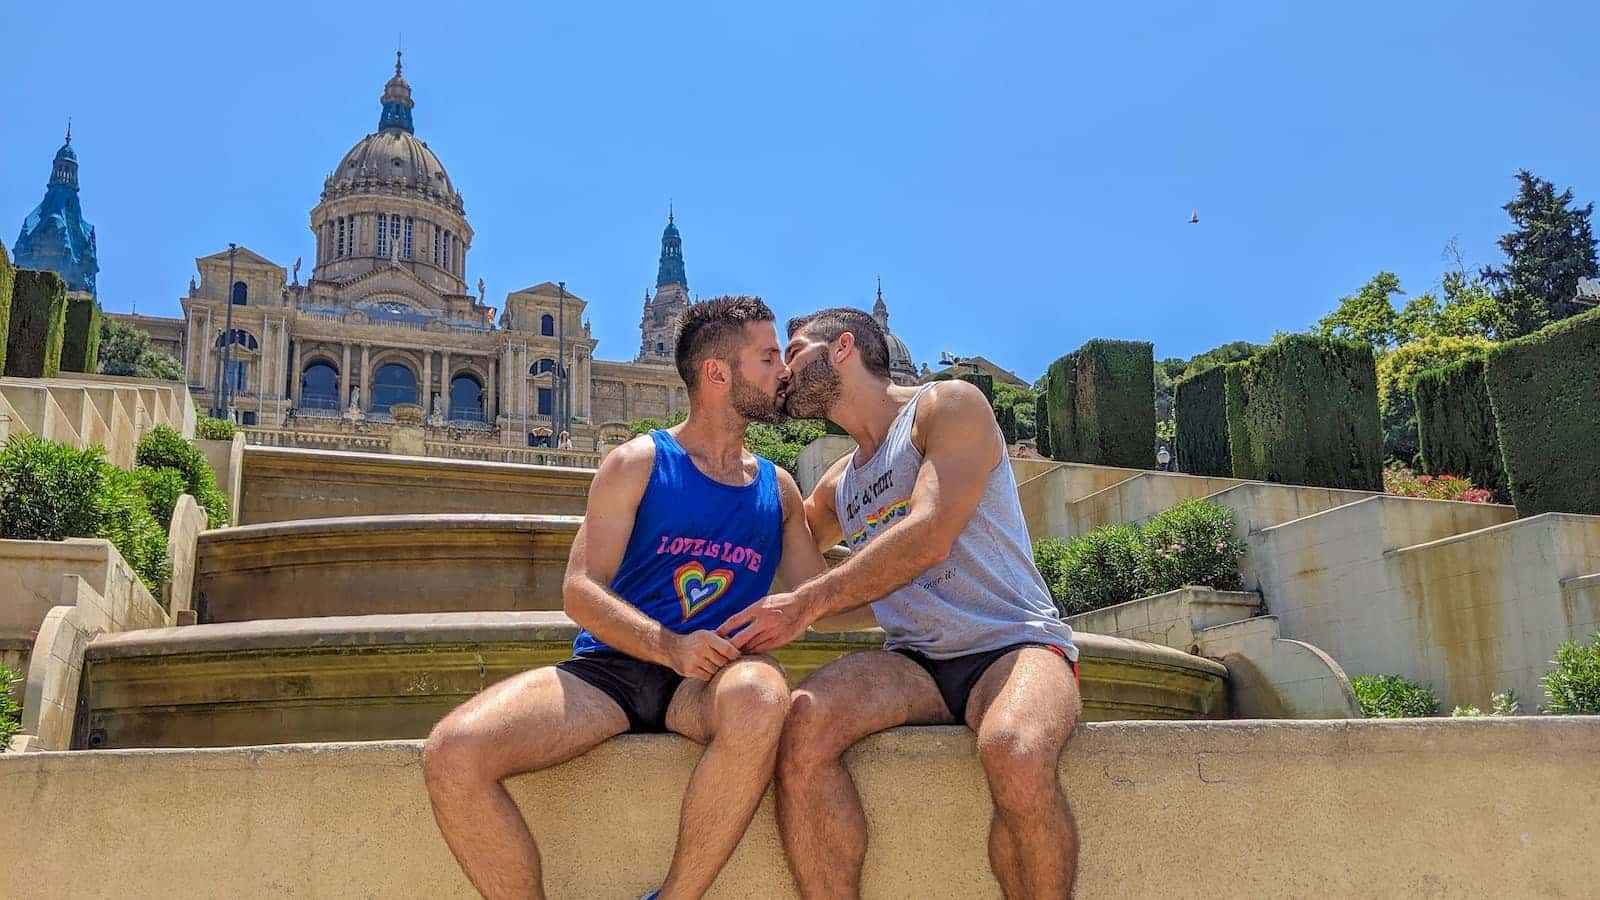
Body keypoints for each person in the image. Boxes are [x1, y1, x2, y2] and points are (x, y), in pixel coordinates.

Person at [423, 296, 827, 900]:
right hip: (612, 673)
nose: (783, 371)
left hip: (708, 683)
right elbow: (579, 590)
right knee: (452, 753)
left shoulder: (780, 490)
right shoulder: (638, 463)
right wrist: (669, 645)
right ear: (718, 374)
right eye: (768, 358)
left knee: (764, 693)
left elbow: (821, 600)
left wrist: (910, 545)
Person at [720, 307, 1082, 898]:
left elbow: (930, 533)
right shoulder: (839, 484)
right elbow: (812, 583)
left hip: (1012, 643)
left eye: (793, 350)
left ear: (841, 349)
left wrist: (803, 603)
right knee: (802, 725)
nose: (783, 369)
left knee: (1014, 750)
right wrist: (773, 496)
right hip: (913, 661)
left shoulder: (945, 407)